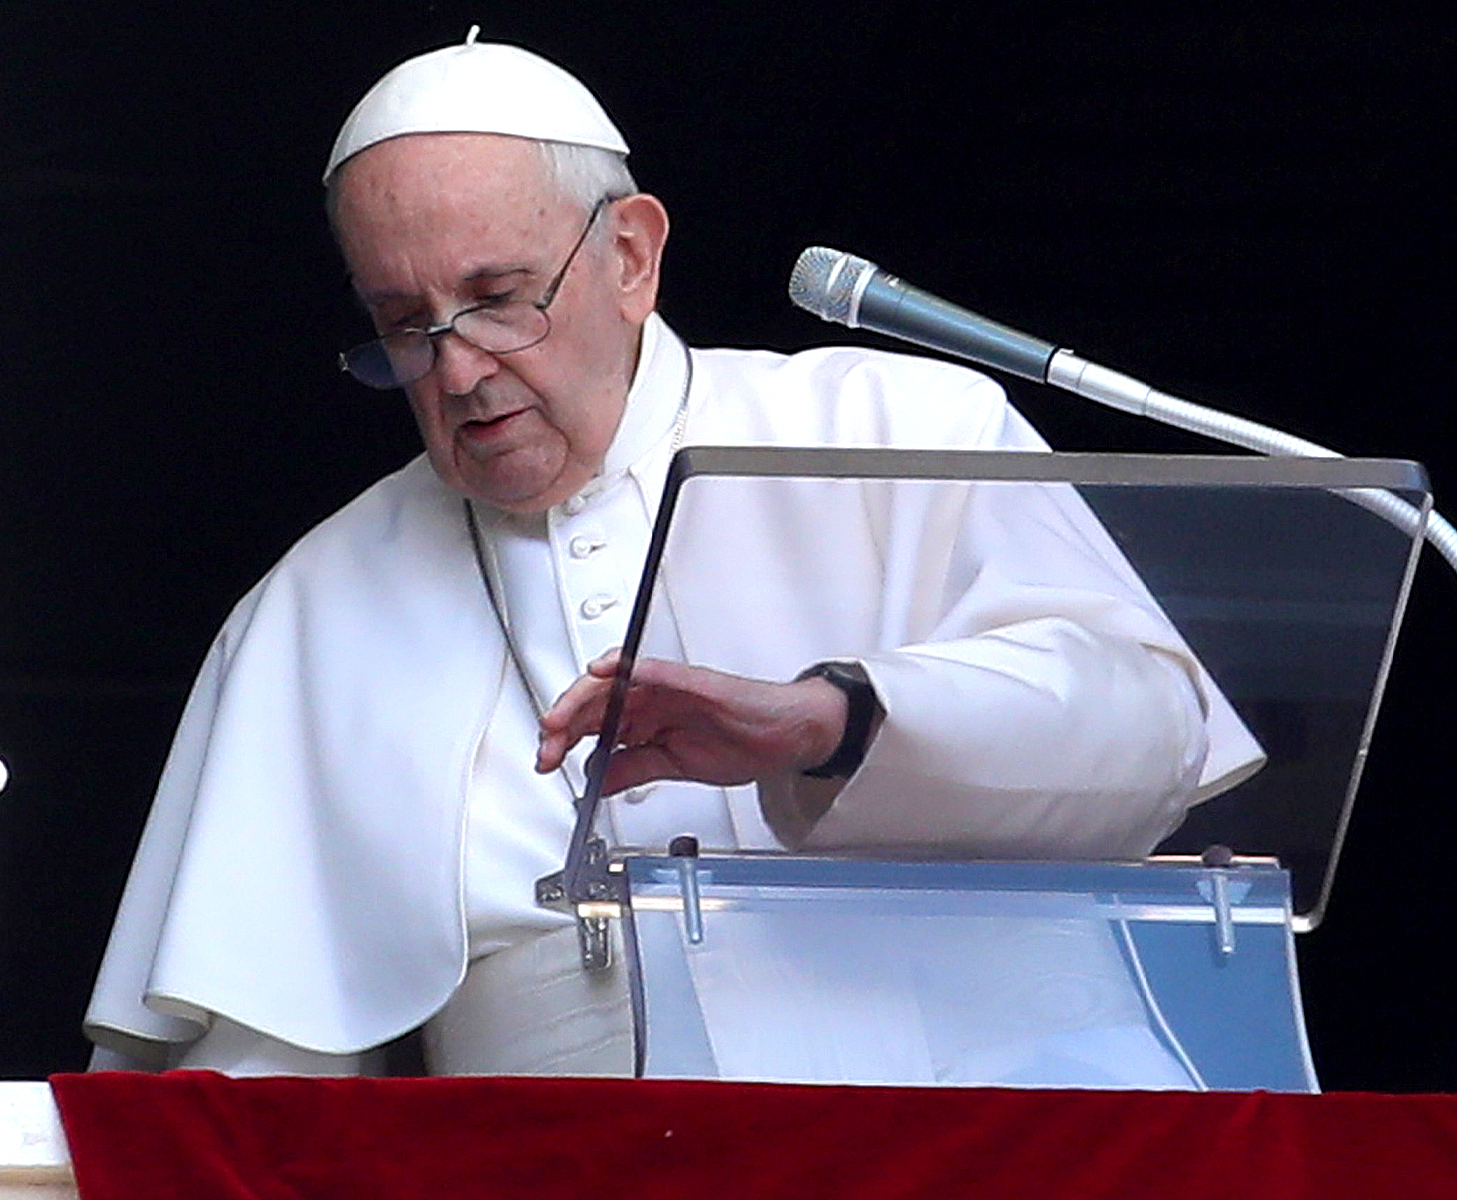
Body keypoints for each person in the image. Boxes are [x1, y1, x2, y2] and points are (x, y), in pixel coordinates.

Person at [84, 34, 1260, 1080]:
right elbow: (260, 1074)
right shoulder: (312, 611)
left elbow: (1146, 726)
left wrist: (831, 721)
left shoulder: (900, 428)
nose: (455, 371)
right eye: (405, 323)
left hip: (996, 1130)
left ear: (633, 255)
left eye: (499, 300)